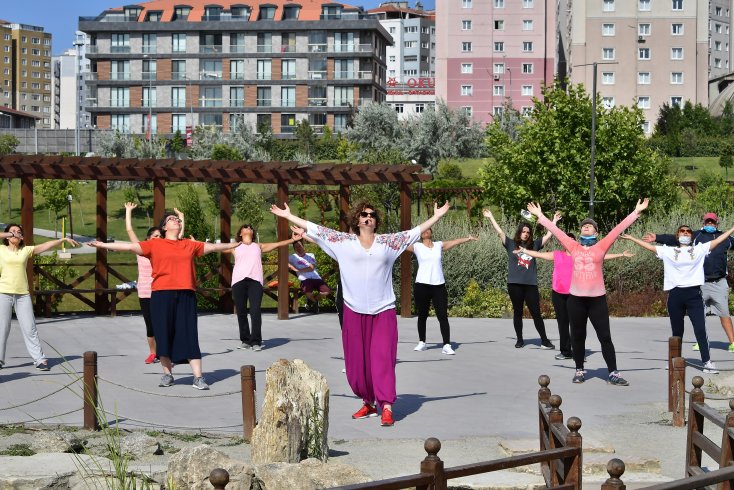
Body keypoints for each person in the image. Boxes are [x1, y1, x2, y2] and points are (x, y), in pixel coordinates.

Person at [270, 199, 450, 427]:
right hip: (354, 310)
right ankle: (369, 401)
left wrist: (437, 216)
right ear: (356, 219)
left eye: (372, 214)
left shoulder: (388, 243)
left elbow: (416, 231)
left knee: (383, 359)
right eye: (364, 214)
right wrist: (287, 215)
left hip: (383, 310)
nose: (368, 217)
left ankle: (386, 405)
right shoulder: (343, 242)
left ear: (376, 222)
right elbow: (315, 228)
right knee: (358, 365)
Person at [89, 212, 238, 390]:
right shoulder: (155, 244)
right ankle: (167, 374)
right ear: (165, 227)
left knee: (189, 333)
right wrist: (102, 244)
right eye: (171, 219)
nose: (176, 220)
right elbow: (129, 247)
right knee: (163, 333)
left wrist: (236, 244)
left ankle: (198, 377)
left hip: (186, 294)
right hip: (161, 294)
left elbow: (213, 248)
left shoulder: (189, 245)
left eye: (177, 219)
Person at [527, 198, 649, 386]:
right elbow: (557, 232)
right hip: (575, 300)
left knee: (605, 337)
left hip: (597, 300)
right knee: (577, 336)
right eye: (583, 225)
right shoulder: (573, 246)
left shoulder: (601, 246)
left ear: (596, 232)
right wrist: (541, 216)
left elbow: (617, 230)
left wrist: (636, 212)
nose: (586, 226)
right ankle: (579, 370)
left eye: (590, 226)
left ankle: (613, 373)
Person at [623, 223, 734, 374]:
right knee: (677, 331)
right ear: (678, 235)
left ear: (691, 236)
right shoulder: (669, 251)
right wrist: (631, 238)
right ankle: (674, 360)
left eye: (688, 231)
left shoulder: (699, 249)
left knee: (700, 329)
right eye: (682, 231)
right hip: (675, 295)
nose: (686, 233)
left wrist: (732, 229)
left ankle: (707, 362)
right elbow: (650, 247)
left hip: (694, 295)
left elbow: (719, 240)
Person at [517, 234, 633, 361]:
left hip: (575, 294)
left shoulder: (580, 256)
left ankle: (579, 352)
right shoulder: (557, 254)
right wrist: (523, 250)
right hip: (558, 294)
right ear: (563, 243)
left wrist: (621, 254)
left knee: (576, 325)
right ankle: (565, 351)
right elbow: (538, 255)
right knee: (562, 323)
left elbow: (602, 256)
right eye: (567, 241)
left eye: (572, 240)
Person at [644, 212, 734, 353]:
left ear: (717, 223)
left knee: (724, 314)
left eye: (713, 222)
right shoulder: (696, 236)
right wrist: (657, 238)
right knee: (699, 316)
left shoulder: (726, 239)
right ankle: (702, 342)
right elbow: (674, 239)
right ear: (703, 222)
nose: (710, 224)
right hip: (700, 283)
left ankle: (732, 342)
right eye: (707, 222)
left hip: (719, 282)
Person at [0, 224, 79, 371]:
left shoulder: (26, 250)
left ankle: (39, 359)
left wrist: (62, 240)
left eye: (18, 232)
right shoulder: (1, 249)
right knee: (2, 328)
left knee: (30, 328)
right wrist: (9, 234)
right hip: (3, 293)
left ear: (22, 237)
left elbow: (46, 245)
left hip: (23, 294)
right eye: (12, 232)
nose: (15, 234)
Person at [483, 209, 558, 349]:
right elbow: (500, 232)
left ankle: (544, 340)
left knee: (536, 312)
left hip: (530, 285)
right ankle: (519, 339)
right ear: (519, 232)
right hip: (514, 284)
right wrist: (491, 217)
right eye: (524, 231)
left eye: (528, 232)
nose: (526, 234)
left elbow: (549, 235)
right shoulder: (511, 244)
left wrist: (553, 221)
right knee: (518, 312)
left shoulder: (535, 245)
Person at [225, 224, 303, 351]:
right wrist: (197, 244)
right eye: (245, 227)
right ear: (240, 233)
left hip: (255, 282)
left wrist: (292, 240)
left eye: (250, 227)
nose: (248, 228)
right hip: (238, 282)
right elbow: (215, 248)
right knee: (241, 312)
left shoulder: (258, 246)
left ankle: (256, 341)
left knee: (255, 311)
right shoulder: (235, 246)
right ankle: (245, 340)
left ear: (252, 232)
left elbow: (278, 244)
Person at [125, 202, 184, 364]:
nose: (158, 239)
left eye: (160, 236)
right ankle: (153, 352)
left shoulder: (165, 249)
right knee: (151, 326)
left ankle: (169, 353)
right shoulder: (142, 251)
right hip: (145, 292)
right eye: (154, 237)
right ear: (148, 240)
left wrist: (181, 218)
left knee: (166, 324)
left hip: (163, 291)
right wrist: (128, 211)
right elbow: (130, 231)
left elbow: (177, 237)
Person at [407, 228, 478, 355]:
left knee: (442, 316)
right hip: (422, 285)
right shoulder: (416, 246)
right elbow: (397, 243)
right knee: (422, 315)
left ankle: (446, 344)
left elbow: (455, 241)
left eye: (428, 229)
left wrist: (468, 239)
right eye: (423, 230)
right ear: (420, 234)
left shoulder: (439, 245)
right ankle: (422, 342)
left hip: (438, 286)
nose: (425, 231)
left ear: (431, 232)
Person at [288, 239, 332, 313]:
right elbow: (282, 261)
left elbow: (311, 268)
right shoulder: (292, 257)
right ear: (294, 248)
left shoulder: (311, 255)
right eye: (296, 247)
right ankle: (315, 304)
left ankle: (311, 301)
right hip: (305, 279)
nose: (299, 248)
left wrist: (299, 271)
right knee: (308, 292)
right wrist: (292, 267)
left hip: (316, 277)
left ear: (303, 246)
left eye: (300, 246)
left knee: (327, 291)